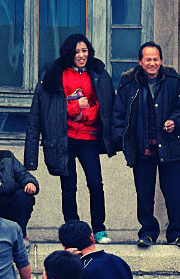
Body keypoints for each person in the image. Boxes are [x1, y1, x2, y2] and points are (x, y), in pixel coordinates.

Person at [25, 33, 115, 244]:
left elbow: (104, 107)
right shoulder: (56, 74)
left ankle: (99, 229)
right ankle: (73, 228)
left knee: (95, 183)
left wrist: (84, 114)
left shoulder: (98, 74)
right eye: (77, 52)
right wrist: (76, 107)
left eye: (84, 51)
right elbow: (52, 109)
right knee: (69, 185)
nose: (81, 55)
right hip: (64, 139)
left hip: (89, 138)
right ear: (69, 54)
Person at [113, 41, 180, 248]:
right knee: (144, 194)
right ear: (140, 61)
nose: (152, 63)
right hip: (142, 148)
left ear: (161, 60)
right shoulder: (128, 84)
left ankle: (177, 233)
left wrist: (175, 121)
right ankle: (148, 232)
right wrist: (123, 141)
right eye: (148, 59)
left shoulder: (174, 81)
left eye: (155, 59)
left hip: (170, 147)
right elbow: (118, 116)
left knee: (175, 193)